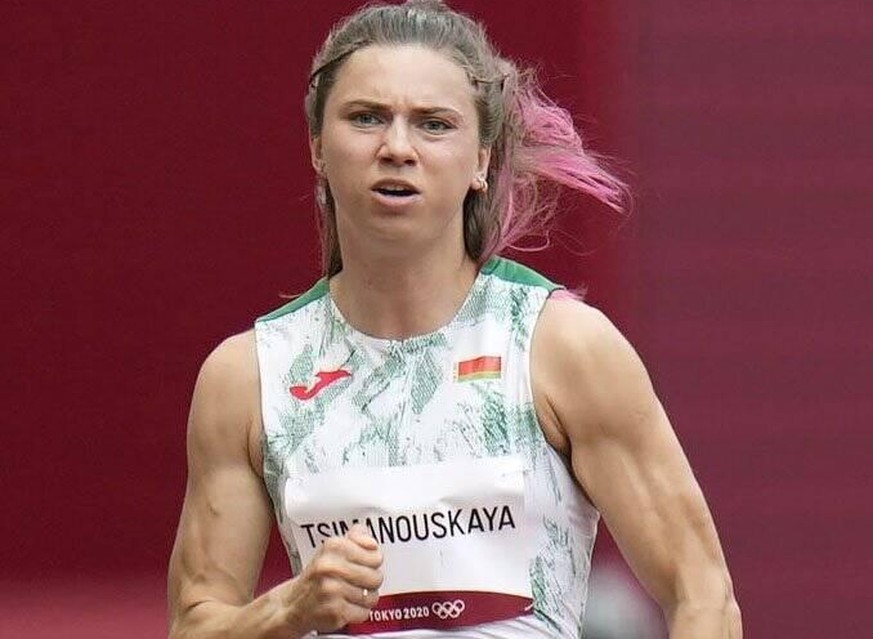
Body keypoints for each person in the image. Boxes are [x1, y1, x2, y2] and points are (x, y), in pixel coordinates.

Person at [167, 1, 742, 637]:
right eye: (366, 118)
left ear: (481, 162)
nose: (396, 148)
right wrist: (289, 608)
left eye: (433, 124)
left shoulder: (560, 346)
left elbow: (702, 593)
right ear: (316, 149)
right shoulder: (248, 376)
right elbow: (195, 625)